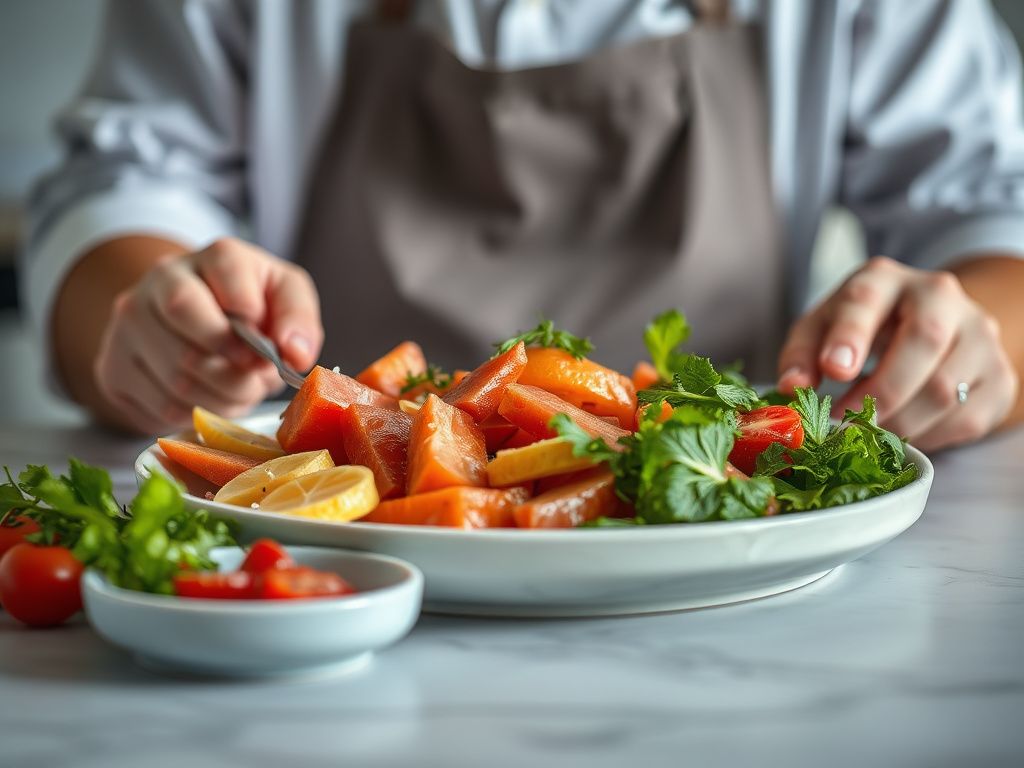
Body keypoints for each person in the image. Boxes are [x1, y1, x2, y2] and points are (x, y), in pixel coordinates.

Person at [24, 0, 1024, 452]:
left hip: (734, 561)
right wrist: (152, 322)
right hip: (351, 570)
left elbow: (997, 208)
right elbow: (119, 188)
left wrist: (967, 340)